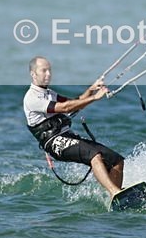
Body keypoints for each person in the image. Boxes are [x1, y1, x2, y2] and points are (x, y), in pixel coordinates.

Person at [23, 56, 125, 197]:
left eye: (50, 70)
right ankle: (115, 192)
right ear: (33, 74)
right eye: (44, 70)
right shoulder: (32, 97)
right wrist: (95, 97)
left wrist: (91, 89)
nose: (49, 74)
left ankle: (115, 197)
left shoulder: (49, 94)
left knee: (116, 160)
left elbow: (74, 103)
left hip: (67, 136)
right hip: (54, 142)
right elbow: (65, 108)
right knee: (94, 155)